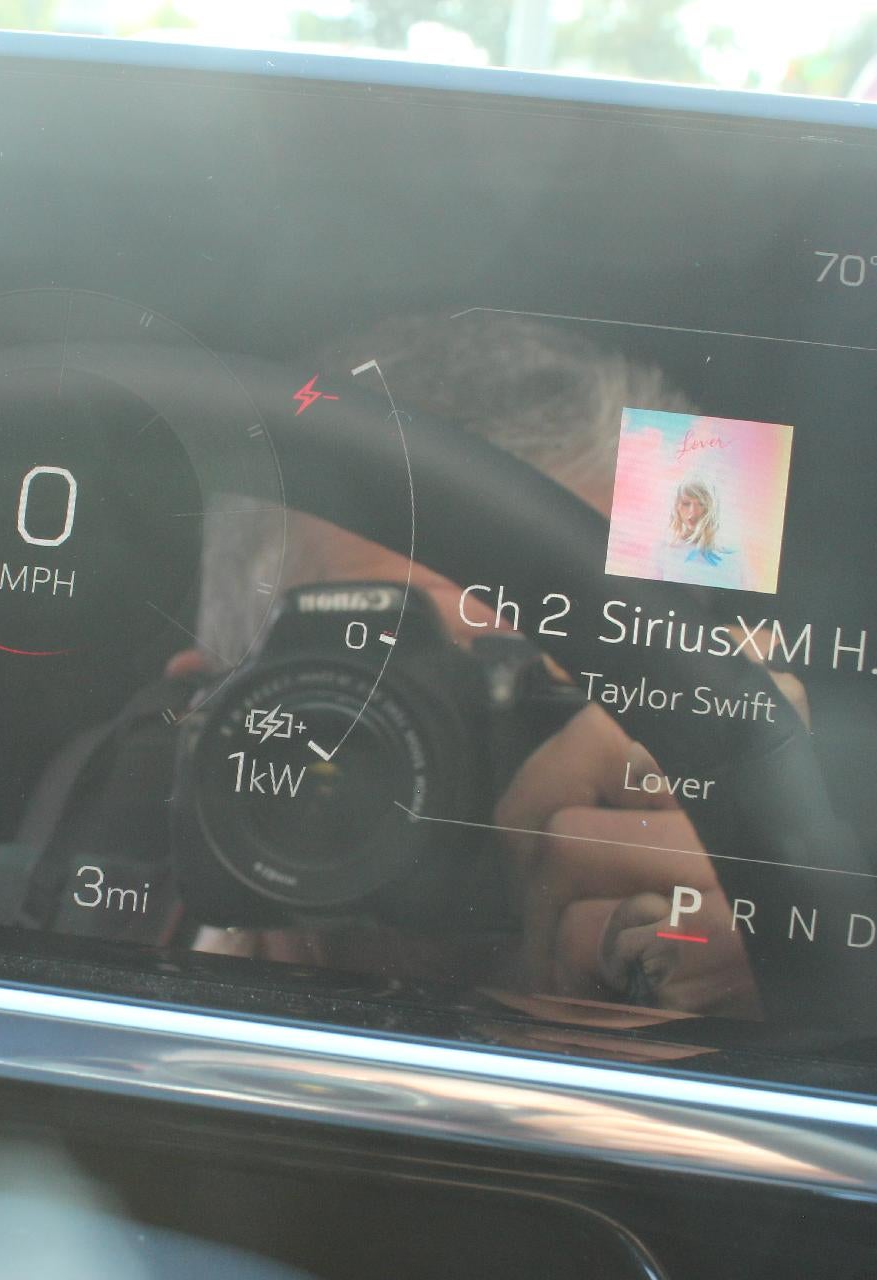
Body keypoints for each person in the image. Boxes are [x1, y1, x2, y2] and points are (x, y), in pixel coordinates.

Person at [189, 313, 802, 1023]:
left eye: (543, 699)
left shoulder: (745, 942)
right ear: (201, 719)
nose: (468, 799)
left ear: (682, 738)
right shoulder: (99, 976)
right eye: (366, 705)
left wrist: (765, 950)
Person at [651, 476, 748, 590]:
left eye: (701, 503)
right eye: (686, 503)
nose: (692, 512)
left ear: (711, 507)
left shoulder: (732, 554)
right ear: (677, 506)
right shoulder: (665, 549)